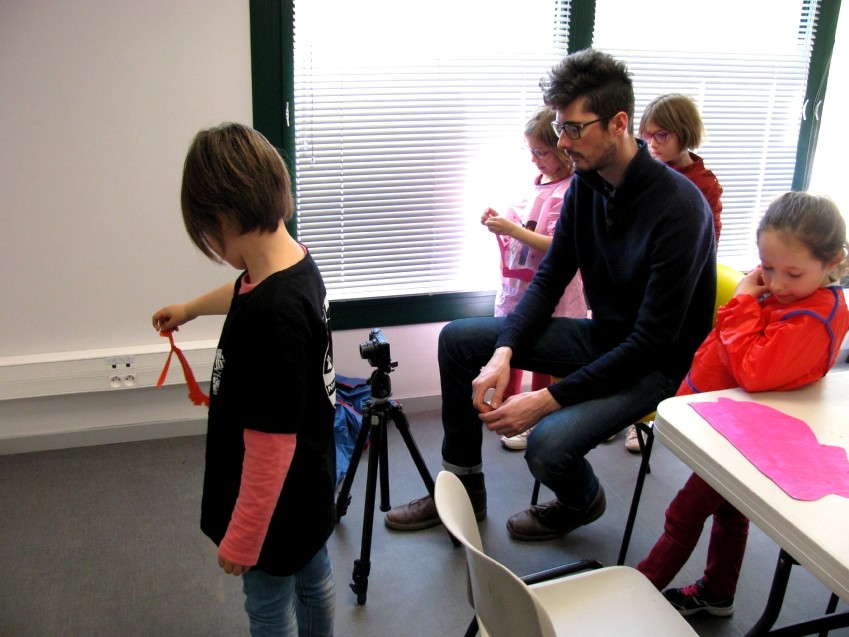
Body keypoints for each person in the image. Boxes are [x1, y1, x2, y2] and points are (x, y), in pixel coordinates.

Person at [384, 48, 717, 541]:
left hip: (655, 366)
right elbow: (550, 277)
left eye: (574, 129)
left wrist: (544, 400)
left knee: (544, 445)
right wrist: (504, 351)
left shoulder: (681, 209)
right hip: (607, 339)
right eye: (560, 128)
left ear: (619, 123)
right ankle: (462, 486)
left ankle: (584, 500)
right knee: (459, 340)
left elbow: (651, 343)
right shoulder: (587, 184)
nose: (563, 142)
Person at [151, 123, 337, 637]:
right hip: (310, 482)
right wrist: (190, 309)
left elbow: (269, 447)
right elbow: (241, 289)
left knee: (269, 605)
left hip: (272, 505)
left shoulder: (271, 316)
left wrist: (243, 538)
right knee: (314, 576)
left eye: (208, 236)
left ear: (221, 219)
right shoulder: (295, 264)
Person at [637, 191, 849, 617]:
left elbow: (753, 370)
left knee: (683, 514)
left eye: (792, 273)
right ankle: (718, 592)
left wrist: (745, 302)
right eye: (767, 267)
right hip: (727, 421)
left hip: (745, 435)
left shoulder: (811, 316)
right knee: (731, 510)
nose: (775, 283)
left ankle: (637, 592)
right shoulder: (787, 294)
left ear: (832, 262)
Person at [623, 93, 725, 453]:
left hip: (681, 286)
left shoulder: (702, 184)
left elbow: (701, 243)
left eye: (661, 136)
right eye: (646, 136)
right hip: (646, 276)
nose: (652, 145)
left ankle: (645, 420)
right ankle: (616, 413)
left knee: (655, 351)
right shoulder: (649, 174)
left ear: (684, 133)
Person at [481, 106, 587, 451]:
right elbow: (523, 227)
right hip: (520, 288)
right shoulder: (536, 183)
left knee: (544, 357)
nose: (535, 159)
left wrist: (512, 229)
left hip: (552, 293)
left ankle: (536, 419)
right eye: (531, 151)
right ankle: (503, 407)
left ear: (561, 150)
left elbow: (557, 245)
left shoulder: (569, 190)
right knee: (511, 349)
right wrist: (501, 224)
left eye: (542, 152)